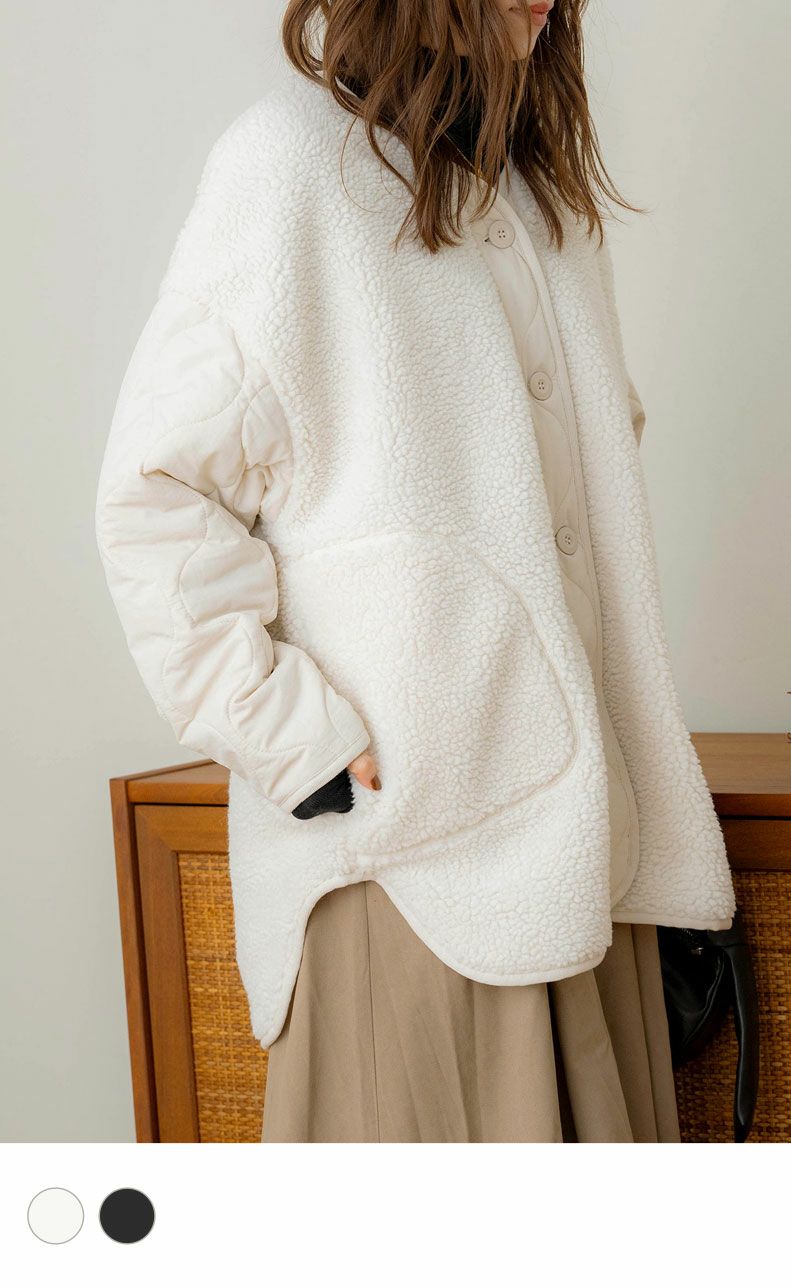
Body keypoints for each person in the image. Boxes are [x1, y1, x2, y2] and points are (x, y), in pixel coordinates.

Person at [94, 0, 736, 1142]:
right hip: (403, 858)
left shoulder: (536, 198)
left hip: (581, 845)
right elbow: (158, 491)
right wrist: (292, 736)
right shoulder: (289, 165)